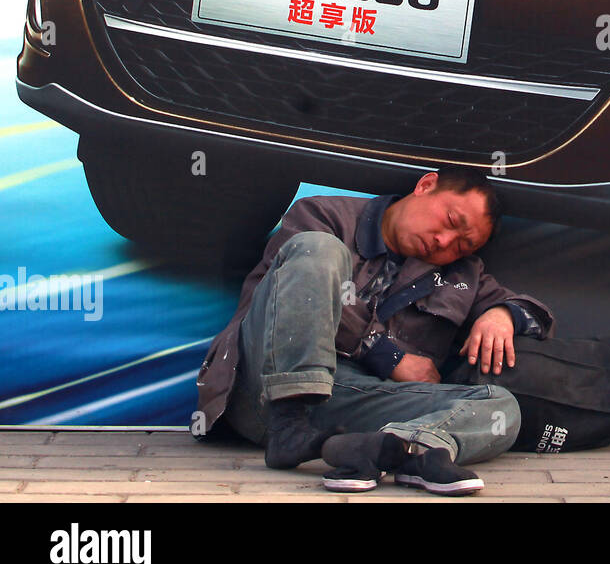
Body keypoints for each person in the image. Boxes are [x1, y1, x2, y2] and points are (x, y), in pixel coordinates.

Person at [193, 165, 553, 496]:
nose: (446, 242)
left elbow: (535, 313)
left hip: (341, 403)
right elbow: (309, 299)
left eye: (463, 244)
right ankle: (288, 423)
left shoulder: (462, 275)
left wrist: (502, 314)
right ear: (426, 185)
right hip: (263, 383)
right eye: (449, 220)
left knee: (501, 407)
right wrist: (388, 356)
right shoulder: (322, 215)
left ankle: (402, 449)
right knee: (317, 249)